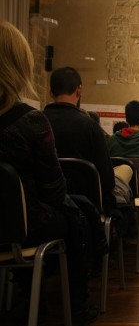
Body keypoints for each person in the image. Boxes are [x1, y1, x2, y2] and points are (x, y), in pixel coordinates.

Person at [0, 21, 99, 324]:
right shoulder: (30, 121)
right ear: (19, 64)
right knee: (77, 214)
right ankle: (75, 308)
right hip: (19, 228)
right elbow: (54, 191)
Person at [43, 67, 117, 213]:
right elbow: (107, 180)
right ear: (79, 91)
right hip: (85, 207)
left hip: (43, 204)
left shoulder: (35, 121)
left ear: (50, 92)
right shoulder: (90, 126)